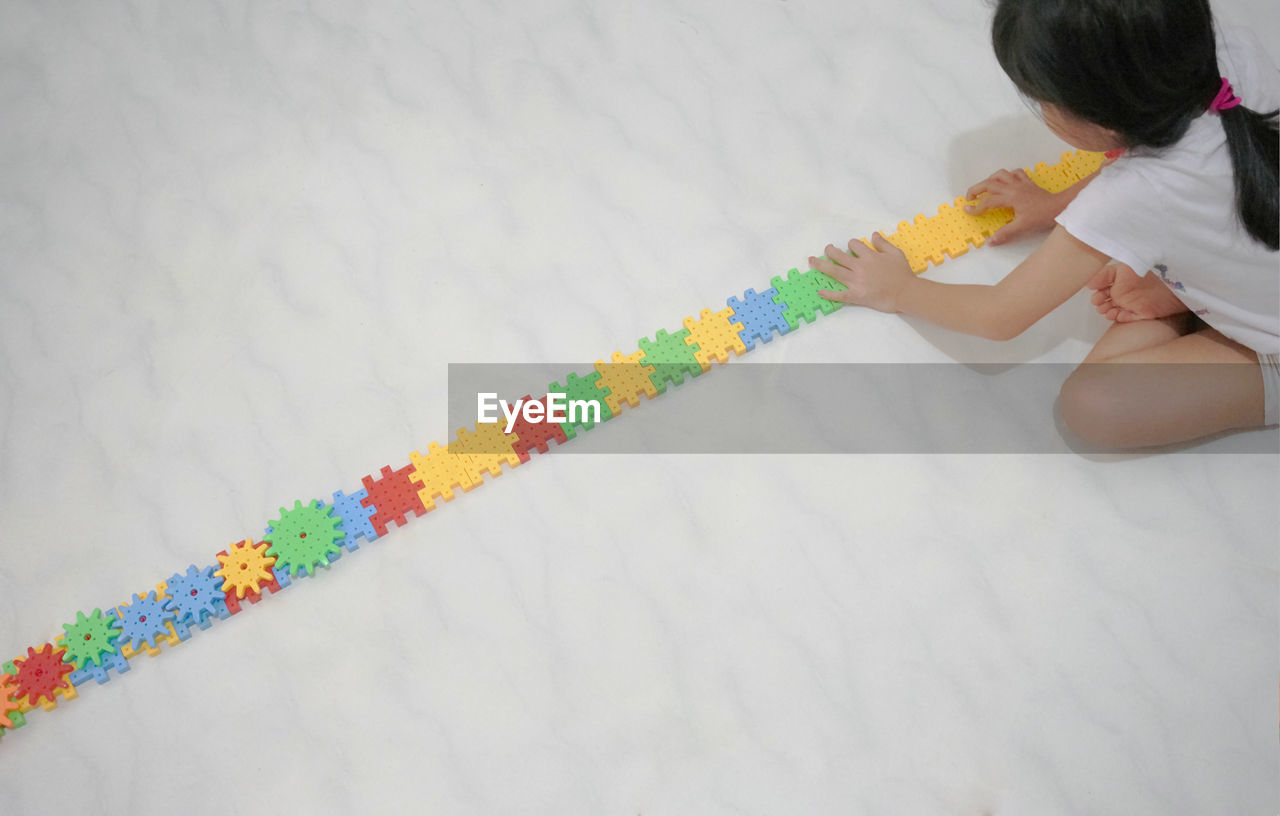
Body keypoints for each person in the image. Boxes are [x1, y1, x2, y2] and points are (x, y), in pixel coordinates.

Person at [811, 0, 1279, 449]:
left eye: (1041, 100)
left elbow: (1000, 316)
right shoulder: (1224, 55)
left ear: (1099, 116)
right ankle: (1199, 298)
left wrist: (899, 290)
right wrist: (1054, 204)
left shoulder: (1130, 198)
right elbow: (1150, 157)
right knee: (1129, 289)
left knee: (1091, 407)